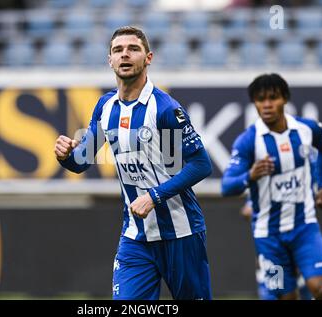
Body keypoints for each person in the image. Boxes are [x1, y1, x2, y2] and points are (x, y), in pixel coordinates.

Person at [54, 26, 213, 300]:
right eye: (118, 50)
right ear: (110, 60)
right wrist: (66, 156)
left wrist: (154, 196)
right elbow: (82, 161)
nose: (125, 55)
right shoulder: (105, 107)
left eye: (133, 49)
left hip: (181, 233)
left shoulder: (164, 109)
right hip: (136, 236)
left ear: (148, 58)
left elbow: (201, 164)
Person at [222, 73, 322, 300]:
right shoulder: (247, 141)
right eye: (260, 99)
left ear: (285, 99)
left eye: (272, 98)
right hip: (267, 236)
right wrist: (250, 176)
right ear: (254, 103)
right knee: (284, 297)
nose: (266, 105)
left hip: (305, 227)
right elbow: (227, 186)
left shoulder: (306, 129)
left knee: (321, 288)